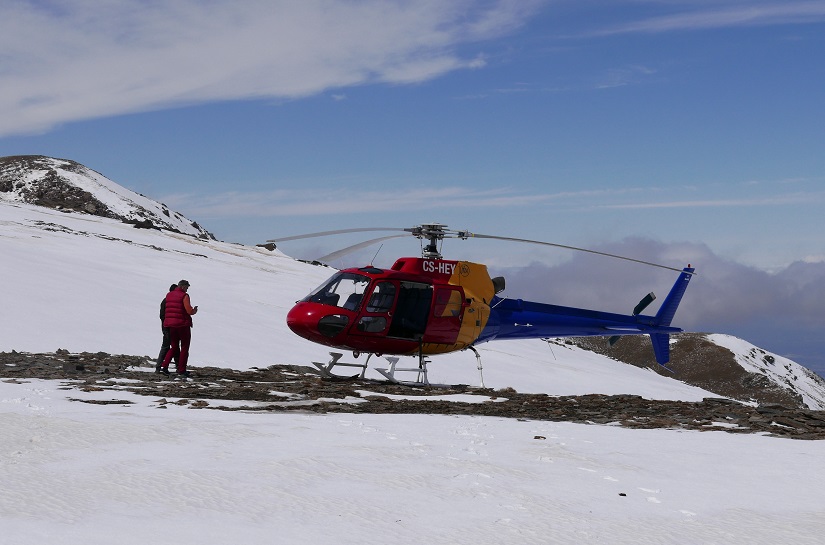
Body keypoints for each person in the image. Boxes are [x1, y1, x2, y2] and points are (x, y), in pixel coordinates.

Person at [159, 279, 199, 377]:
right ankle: (181, 369)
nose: (187, 289)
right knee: (185, 347)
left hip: (171, 325)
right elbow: (188, 310)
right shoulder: (184, 296)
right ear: (182, 286)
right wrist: (194, 311)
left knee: (174, 347)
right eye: (186, 287)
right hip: (182, 324)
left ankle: (164, 366)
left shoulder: (169, 295)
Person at [155, 284, 179, 373]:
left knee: (168, 346)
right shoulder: (168, 301)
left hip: (166, 327)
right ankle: (161, 367)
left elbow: (162, 316)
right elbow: (162, 316)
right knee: (170, 347)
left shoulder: (166, 301)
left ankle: (159, 367)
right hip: (169, 327)